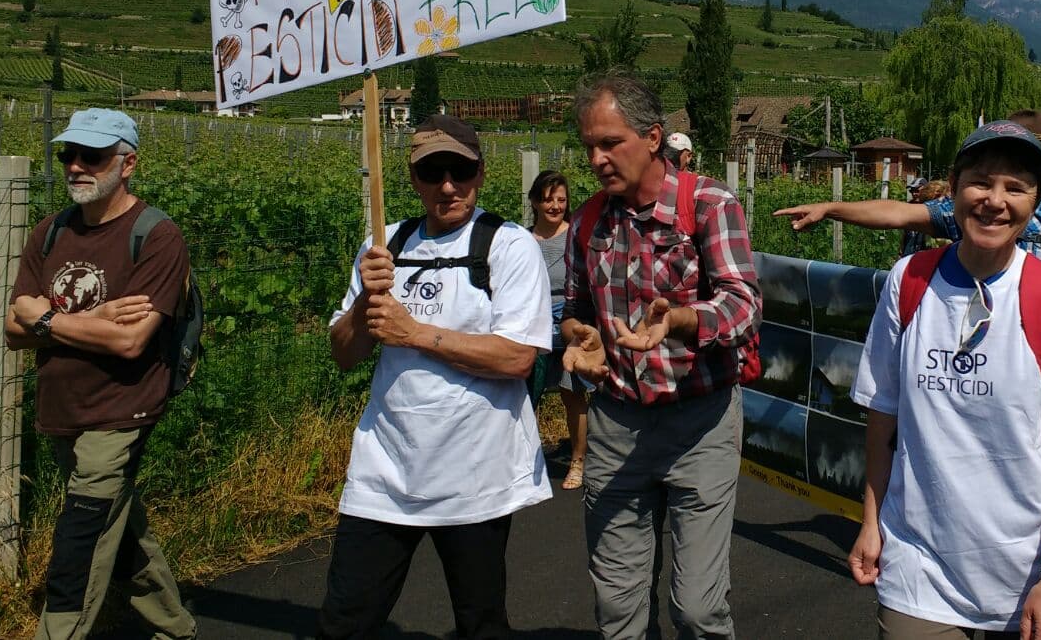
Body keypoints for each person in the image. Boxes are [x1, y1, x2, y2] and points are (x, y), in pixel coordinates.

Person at [849, 121, 1041, 639]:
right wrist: (871, 522)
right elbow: (884, 415)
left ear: (1036, 202)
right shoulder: (908, 281)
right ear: (952, 187)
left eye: (1015, 188)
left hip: (1028, 575)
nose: (994, 201)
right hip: (918, 567)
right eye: (980, 182)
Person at [318, 115, 552, 639]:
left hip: (476, 474)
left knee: (480, 622)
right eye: (432, 172)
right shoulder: (384, 246)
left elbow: (517, 359)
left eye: (460, 171)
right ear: (413, 178)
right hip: (386, 470)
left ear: (481, 173)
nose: (447, 186)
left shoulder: (510, 246)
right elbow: (343, 354)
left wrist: (414, 332)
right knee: (344, 621)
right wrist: (364, 305)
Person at [561, 72, 760, 640]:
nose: (597, 159)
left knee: (697, 609)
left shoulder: (708, 204)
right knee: (618, 610)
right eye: (589, 146)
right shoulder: (588, 220)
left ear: (652, 138)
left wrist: (678, 319)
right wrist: (580, 336)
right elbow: (574, 307)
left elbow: (744, 305)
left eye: (609, 143)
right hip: (617, 422)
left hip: (700, 422)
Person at [3, 108, 197, 640]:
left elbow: (130, 341)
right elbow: (11, 330)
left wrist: (44, 316)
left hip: (121, 409)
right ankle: (175, 629)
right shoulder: (51, 232)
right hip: (63, 409)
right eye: (68, 155)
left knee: (81, 536)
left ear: (127, 163)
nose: (75, 167)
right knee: (118, 521)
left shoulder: (156, 236)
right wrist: (87, 321)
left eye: (92, 156)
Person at [776, 110, 1041, 294]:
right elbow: (898, 213)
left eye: (1031, 163)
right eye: (986, 176)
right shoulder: (969, 213)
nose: (996, 201)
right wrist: (831, 208)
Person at [529, 168, 590, 491]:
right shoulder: (523, 241)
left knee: (572, 394)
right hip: (534, 329)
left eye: (561, 200)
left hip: (571, 326)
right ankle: (524, 459)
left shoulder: (576, 238)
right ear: (536, 202)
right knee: (526, 396)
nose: (555, 206)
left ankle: (577, 462)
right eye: (548, 199)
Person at [900, 176, 931, 257]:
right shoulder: (909, 206)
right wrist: (901, 251)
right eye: (912, 191)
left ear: (926, 191)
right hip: (909, 250)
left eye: (917, 191)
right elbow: (905, 231)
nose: (914, 194)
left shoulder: (932, 207)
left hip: (926, 251)